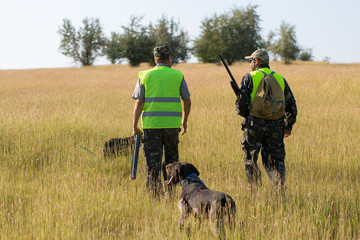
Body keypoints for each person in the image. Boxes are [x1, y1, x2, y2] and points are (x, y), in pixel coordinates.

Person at [132, 45, 191, 198]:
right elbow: (187, 100)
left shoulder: (145, 75)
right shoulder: (178, 75)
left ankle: (154, 196)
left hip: (152, 127)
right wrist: (184, 121)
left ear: (155, 59)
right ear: (169, 58)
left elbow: (139, 102)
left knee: (153, 163)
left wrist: (134, 126)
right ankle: (171, 194)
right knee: (172, 162)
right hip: (172, 127)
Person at [235, 49, 297, 189]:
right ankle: (278, 191)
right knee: (276, 161)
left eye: (250, 60)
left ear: (256, 61)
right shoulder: (280, 78)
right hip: (277, 126)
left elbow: (240, 106)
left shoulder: (249, 77)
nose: (250, 63)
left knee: (251, 159)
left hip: (254, 125)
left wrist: (247, 115)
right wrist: (288, 126)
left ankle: (254, 191)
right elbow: (292, 106)